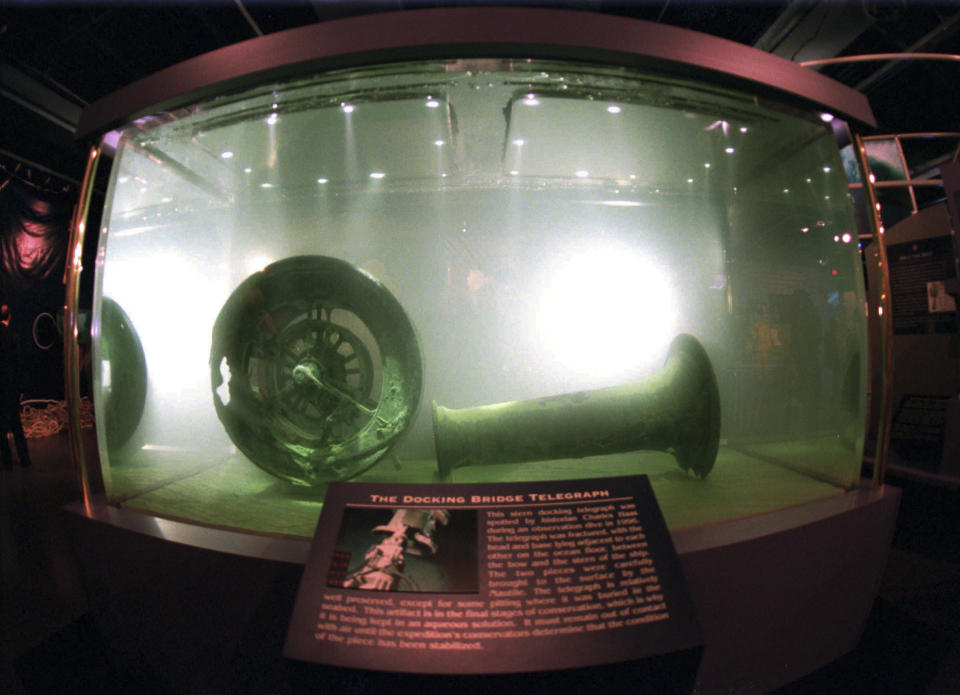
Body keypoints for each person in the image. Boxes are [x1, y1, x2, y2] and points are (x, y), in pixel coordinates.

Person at [0, 304, 31, 469]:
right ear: (9, 316)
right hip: (11, 388)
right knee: (16, 425)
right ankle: (24, 459)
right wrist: (21, 388)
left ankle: (7, 462)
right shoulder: (13, 337)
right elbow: (18, 365)